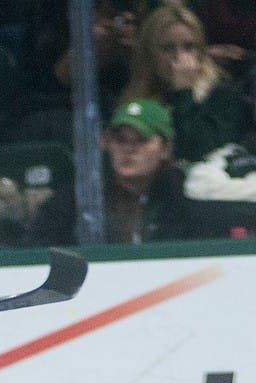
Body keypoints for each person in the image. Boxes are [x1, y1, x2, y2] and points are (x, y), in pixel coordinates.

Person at [28, 98, 196, 244]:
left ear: (165, 149)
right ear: (106, 144)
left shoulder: (184, 199)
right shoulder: (76, 199)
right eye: (120, 140)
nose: (128, 149)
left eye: (141, 140)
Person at [120, 4, 253, 164]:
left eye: (189, 47)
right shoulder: (134, 99)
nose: (179, 57)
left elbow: (194, 153)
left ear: (201, 51)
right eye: (168, 48)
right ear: (151, 53)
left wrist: (183, 92)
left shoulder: (225, 98)